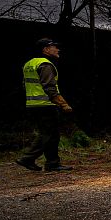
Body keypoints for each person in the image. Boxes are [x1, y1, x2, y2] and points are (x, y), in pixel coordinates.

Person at [16, 38, 73, 172]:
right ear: (45, 49)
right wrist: (63, 104)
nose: (58, 49)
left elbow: (24, 85)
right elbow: (50, 87)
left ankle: (52, 163)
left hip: (32, 104)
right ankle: (28, 158)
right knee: (48, 134)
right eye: (54, 47)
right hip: (45, 104)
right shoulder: (45, 64)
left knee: (51, 134)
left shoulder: (29, 64)